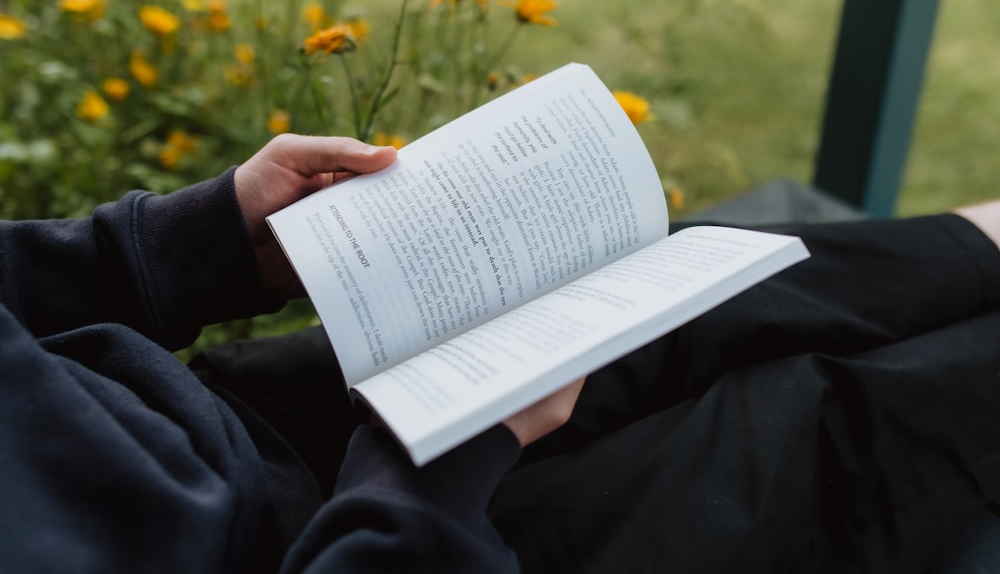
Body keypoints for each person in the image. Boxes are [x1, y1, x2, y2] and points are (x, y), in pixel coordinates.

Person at [1, 133, 998, 573]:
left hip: (183, 426)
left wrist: (187, 245)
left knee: (690, 287)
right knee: (813, 433)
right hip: (358, 551)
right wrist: (428, 480)